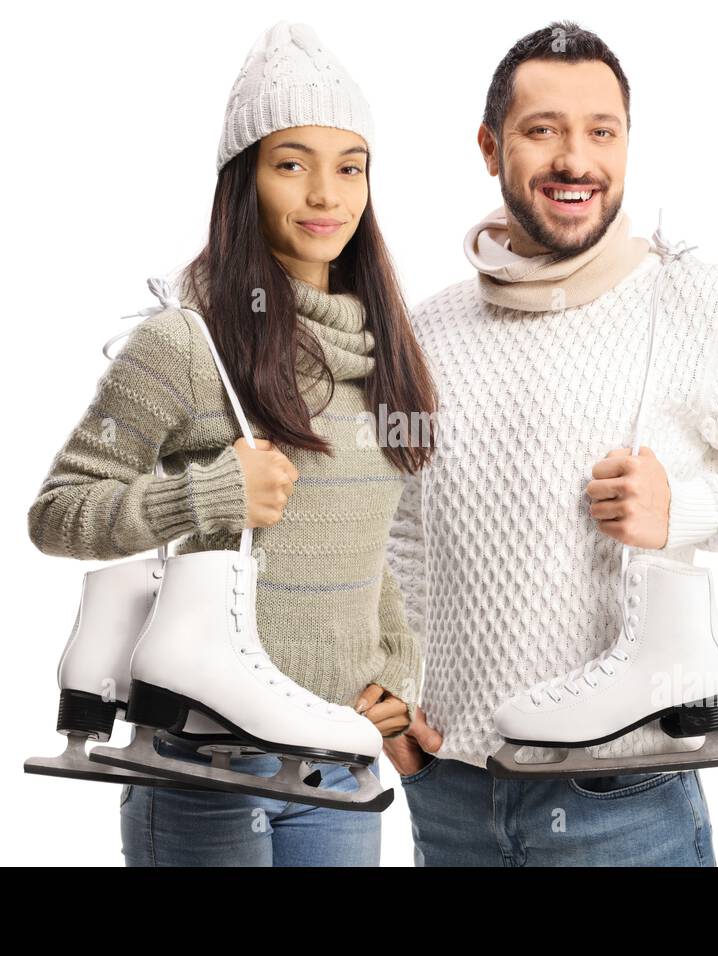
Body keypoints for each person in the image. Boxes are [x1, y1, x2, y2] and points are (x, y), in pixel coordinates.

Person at [383, 20, 718, 866]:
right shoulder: (428, 330)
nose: (577, 159)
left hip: (623, 799)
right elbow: (407, 535)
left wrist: (688, 511)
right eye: (544, 130)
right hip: (449, 793)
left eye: (601, 132)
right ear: (491, 147)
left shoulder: (695, 304)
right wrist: (401, 706)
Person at [26, 20, 436, 866]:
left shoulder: (385, 349)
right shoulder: (186, 344)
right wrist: (204, 494)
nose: (327, 195)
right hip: (203, 763)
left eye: (349, 167)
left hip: (337, 760)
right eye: (292, 163)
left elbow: (375, 543)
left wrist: (397, 669)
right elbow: (58, 513)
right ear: (243, 181)